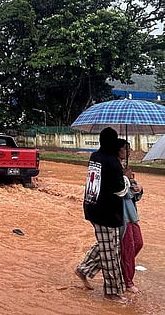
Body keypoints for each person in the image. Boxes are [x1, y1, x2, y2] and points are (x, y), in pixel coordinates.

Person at [75, 127, 132, 303]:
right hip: (107, 213)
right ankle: (111, 292)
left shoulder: (95, 157)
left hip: (92, 208)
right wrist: (126, 177)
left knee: (108, 245)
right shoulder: (112, 162)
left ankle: (83, 270)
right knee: (111, 253)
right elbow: (120, 190)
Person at [117, 138, 144, 294]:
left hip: (132, 214)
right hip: (122, 215)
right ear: (118, 150)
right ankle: (128, 281)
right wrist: (127, 179)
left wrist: (135, 184)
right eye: (126, 149)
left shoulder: (124, 168)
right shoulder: (114, 168)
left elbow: (134, 193)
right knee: (128, 247)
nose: (129, 152)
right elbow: (122, 192)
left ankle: (123, 267)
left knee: (138, 243)